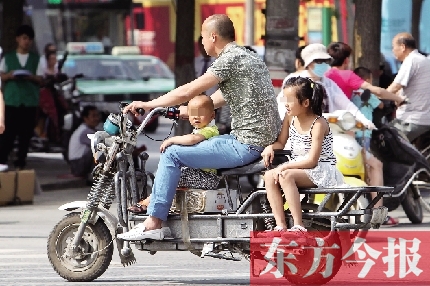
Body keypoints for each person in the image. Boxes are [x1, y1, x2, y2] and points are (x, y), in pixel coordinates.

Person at [118, 14, 282, 241]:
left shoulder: (229, 60)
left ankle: (154, 222)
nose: (202, 43)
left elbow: (188, 91)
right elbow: (210, 103)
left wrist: (149, 104)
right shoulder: (249, 58)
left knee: (172, 153)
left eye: (203, 38)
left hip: (246, 145)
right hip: (254, 141)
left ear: (213, 37)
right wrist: (179, 111)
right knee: (200, 144)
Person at [262, 77, 344, 241]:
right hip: (300, 167)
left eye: (290, 100)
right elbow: (281, 142)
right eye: (285, 99)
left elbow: (312, 161)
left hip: (321, 169)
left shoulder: (318, 124)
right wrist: (271, 147)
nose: (286, 104)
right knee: (269, 176)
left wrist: (284, 167)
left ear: (305, 103)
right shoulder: (290, 117)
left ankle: (299, 225)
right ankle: (280, 225)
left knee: (286, 175)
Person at [128, 95, 221, 214]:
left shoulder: (210, 130)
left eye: (201, 113)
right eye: (193, 114)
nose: (196, 117)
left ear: (212, 116)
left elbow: (193, 139)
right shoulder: (200, 129)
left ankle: (148, 202)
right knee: (167, 174)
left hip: (206, 177)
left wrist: (172, 140)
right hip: (199, 174)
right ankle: (156, 202)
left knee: (170, 175)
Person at [277, 43, 374, 129]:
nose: (323, 64)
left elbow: (346, 104)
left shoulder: (329, 84)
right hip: (299, 133)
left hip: (325, 132)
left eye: (325, 61)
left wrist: (364, 120)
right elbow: (283, 105)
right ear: (309, 63)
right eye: (319, 61)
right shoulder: (294, 81)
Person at [352, 67, 399, 226]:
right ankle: (378, 212)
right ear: (368, 80)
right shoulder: (369, 94)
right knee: (372, 168)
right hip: (363, 135)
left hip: (349, 135)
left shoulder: (350, 93)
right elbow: (380, 106)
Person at [0, 25, 44, 171]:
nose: (27, 41)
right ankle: (3, 161)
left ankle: (21, 162)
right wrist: (10, 75)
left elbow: (41, 79)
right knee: (8, 134)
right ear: (18, 39)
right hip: (12, 101)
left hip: (29, 101)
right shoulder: (8, 57)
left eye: (29, 39)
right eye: (24, 38)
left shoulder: (36, 59)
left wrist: (30, 77)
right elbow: (2, 75)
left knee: (25, 135)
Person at [325, 42, 406, 104]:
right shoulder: (347, 75)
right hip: (342, 118)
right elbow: (377, 91)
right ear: (346, 60)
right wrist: (398, 99)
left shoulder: (325, 74)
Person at [386, 33, 430, 143]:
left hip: (411, 119)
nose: (393, 50)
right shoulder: (422, 59)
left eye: (393, 47)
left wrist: (377, 97)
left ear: (402, 47)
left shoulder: (411, 60)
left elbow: (395, 86)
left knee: (384, 141)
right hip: (422, 117)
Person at [68, 106, 100, 178]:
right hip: (78, 165)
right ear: (85, 118)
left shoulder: (87, 129)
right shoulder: (85, 131)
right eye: (93, 116)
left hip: (77, 164)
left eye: (97, 115)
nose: (97, 119)